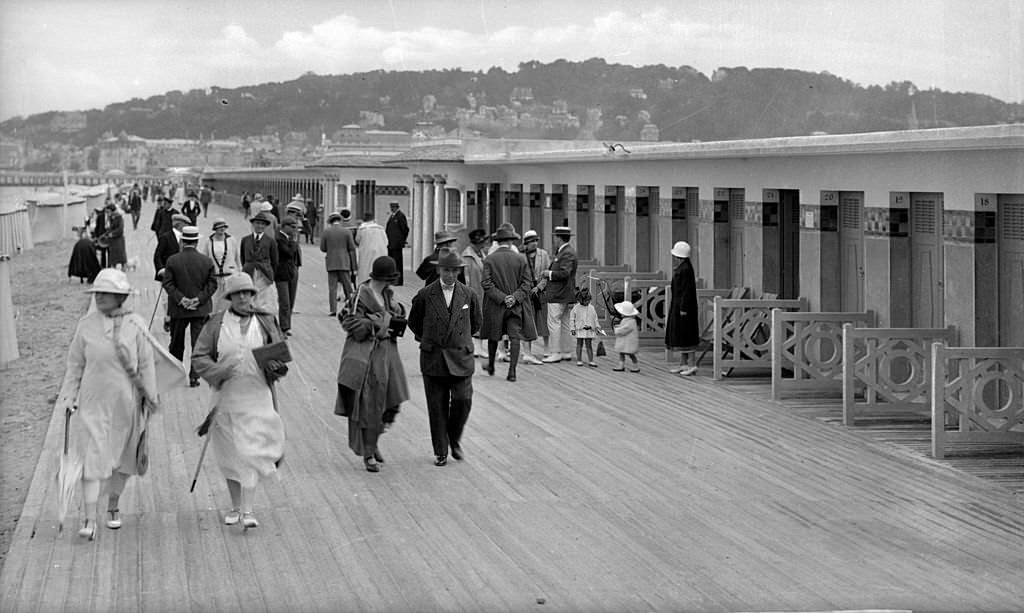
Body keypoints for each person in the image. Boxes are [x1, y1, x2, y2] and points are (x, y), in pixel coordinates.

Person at [55, 269, 159, 539]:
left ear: (120, 297)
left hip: (127, 404)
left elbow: (147, 363)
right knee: (92, 457)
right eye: (97, 293)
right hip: (92, 403)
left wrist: (151, 396)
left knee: (124, 460)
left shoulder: (136, 324)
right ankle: (89, 519)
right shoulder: (85, 325)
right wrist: (69, 397)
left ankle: (113, 505)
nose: (100, 297)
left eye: (106, 293)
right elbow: (75, 364)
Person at [192, 272, 288, 529]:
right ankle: (235, 505)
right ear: (230, 297)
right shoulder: (215, 324)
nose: (243, 297)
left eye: (247, 292)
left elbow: (280, 357)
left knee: (250, 451)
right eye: (238, 294)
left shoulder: (266, 322)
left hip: (257, 395)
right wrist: (218, 372)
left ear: (253, 295)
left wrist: (276, 366)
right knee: (229, 454)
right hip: (225, 398)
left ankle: (248, 510)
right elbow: (199, 358)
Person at [333, 256, 409, 473]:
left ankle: (373, 440)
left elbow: (393, 315)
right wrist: (376, 323)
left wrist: (394, 318)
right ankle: (368, 452)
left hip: (388, 354)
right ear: (386, 278)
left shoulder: (387, 294)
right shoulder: (361, 294)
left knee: (392, 401)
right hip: (367, 355)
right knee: (369, 404)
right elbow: (347, 321)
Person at [408, 249, 481, 466]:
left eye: (454, 271)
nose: (450, 275)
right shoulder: (425, 295)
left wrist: (460, 341)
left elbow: (476, 323)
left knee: (463, 400)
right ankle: (441, 450)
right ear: (439, 270)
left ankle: (454, 439)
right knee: (437, 406)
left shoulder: (468, 295)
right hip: (434, 358)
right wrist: (431, 339)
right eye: (446, 270)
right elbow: (414, 323)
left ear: (459, 271)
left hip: (461, 357)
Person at [162, 226, 217, 387]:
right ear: (197, 241)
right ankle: (194, 377)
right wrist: (198, 300)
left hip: (179, 310)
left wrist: (182, 299)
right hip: (199, 309)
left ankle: (176, 374)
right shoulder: (206, 261)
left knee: (176, 343)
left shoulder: (172, 260)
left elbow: (168, 283)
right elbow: (212, 284)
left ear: (182, 241)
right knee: (198, 344)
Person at [480, 226, 537, 382]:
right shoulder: (521, 259)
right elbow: (527, 283)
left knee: (494, 335)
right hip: (516, 306)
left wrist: (502, 297)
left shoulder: (490, 259)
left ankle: (491, 365)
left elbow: (486, 283)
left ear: (497, 242)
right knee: (515, 336)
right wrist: (514, 297)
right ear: (512, 241)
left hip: (495, 304)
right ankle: (512, 372)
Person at [541, 226, 578, 363]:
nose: (554, 240)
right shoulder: (565, 251)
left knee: (554, 323)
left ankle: (556, 352)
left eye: (555, 237)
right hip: (564, 293)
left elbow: (565, 273)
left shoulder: (566, 253)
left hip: (558, 293)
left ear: (559, 238)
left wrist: (548, 273)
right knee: (564, 323)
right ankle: (566, 351)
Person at [666, 241, 701, 376]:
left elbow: (687, 291)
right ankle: (683, 363)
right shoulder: (684, 267)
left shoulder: (685, 269)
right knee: (681, 334)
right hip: (678, 305)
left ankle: (691, 364)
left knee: (687, 335)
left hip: (684, 307)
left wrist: (683, 307)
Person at [240, 212, 279, 316]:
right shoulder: (245, 240)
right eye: (257, 223)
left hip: (264, 273)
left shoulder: (270, 241)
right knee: (249, 296)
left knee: (263, 300)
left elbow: (274, 261)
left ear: (266, 226)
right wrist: (247, 267)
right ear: (253, 224)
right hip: (249, 271)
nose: (260, 226)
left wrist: (271, 274)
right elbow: (242, 258)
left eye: (262, 224)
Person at [521, 229, 551, 365]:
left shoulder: (543, 254)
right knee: (527, 321)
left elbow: (546, 273)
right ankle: (527, 351)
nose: (534, 244)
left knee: (544, 320)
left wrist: (539, 287)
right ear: (526, 243)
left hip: (540, 291)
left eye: (535, 241)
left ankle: (547, 349)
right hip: (526, 292)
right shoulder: (521, 256)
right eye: (531, 241)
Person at [321, 211, 358, 316]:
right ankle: (351, 307)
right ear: (340, 220)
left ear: (330, 222)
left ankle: (333, 309)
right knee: (348, 286)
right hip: (344, 262)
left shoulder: (326, 232)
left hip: (331, 262)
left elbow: (323, 248)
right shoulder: (346, 232)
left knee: (332, 287)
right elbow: (351, 247)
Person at [461, 229, 490, 358]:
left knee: (480, 319)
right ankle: (474, 347)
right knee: (473, 319)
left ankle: (479, 347)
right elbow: (465, 278)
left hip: (483, 292)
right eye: (482, 242)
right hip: (473, 292)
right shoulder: (466, 257)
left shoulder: (482, 254)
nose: (484, 244)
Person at [203, 218, 241, 311]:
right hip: (215, 277)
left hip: (229, 275)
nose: (222, 229)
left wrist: (239, 271)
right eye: (219, 227)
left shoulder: (231, 240)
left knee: (229, 302)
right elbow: (205, 258)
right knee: (215, 302)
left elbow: (237, 257)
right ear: (215, 228)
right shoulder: (209, 241)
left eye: (224, 227)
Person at [274, 217, 302, 336]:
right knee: (284, 301)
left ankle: (286, 325)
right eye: (293, 227)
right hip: (281, 273)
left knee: (291, 300)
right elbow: (288, 253)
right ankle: (283, 327)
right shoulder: (279, 239)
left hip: (292, 271)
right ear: (285, 226)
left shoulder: (289, 239)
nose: (295, 230)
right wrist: (294, 241)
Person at [570, 287, 601, 367]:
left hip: (589, 329)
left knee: (589, 345)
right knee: (579, 344)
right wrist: (572, 328)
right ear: (581, 300)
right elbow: (572, 319)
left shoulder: (592, 308)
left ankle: (591, 361)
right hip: (580, 329)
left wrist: (597, 327)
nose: (588, 302)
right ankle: (579, 360)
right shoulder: (576, 308)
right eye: (586, 300)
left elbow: (595, 318)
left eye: (589, 300)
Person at [354, 211, 388, 284]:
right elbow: (386, 242)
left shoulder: (362, 229)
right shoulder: (381, 228)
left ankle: (364, 286)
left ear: (364, 219)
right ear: (373, 219)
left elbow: (357, 240)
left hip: (366, 253)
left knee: (365, 270)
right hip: (380, 253)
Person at [384, 201, 410, 285]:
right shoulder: (392, 216)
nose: (391, 208)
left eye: (393, 207)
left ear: (397, 207)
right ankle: (392, 280)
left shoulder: (400, 216)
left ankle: (398, 281)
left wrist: (402, 240)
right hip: (391, 243)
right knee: (392, 262)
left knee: (397, 263)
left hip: (397, 244)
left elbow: (405, 229)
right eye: (391, 207)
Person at [612, 300, 641, 372]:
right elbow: (624, 327)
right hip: (625, 341)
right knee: (621, 353)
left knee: (631, 354)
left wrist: (617, 329)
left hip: (628, 342)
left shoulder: (631, 321)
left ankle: (636, 366)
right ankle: (621, 365)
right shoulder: (627, 320)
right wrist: (619, 326)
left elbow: (625, 329)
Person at [99, 200, 126, 270]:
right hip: (112, 240)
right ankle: (113, 268)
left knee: (120, 255)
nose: (107, 213)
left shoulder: (119, 217)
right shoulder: (111, 217)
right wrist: (105, 234)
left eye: (108, 212)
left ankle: (123, 267)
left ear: (112, 211)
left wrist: (112, 234)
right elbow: (110, 228)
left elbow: (120, 229)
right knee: (113, 256)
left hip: (119, 239)